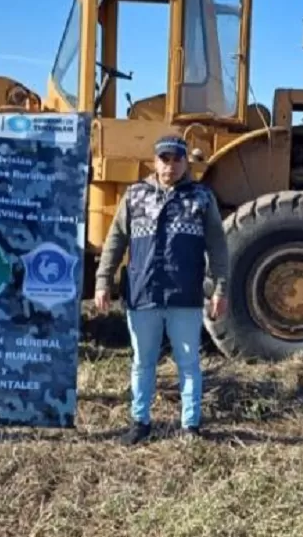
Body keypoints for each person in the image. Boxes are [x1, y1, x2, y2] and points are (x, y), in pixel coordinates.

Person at [94, 134, 229, 444]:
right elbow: (115, 241)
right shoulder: (134, 195)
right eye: (164, 159)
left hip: (185, 295)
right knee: (143, 362)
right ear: (154, 162)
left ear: (185, 162)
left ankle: (190, 426)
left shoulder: (202, 198)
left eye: (176, 159)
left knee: (189, 363)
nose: (170, 165)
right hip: (143, 293)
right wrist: (104, 281)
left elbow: (218, 247)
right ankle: (140, 423)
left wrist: (220, 288)